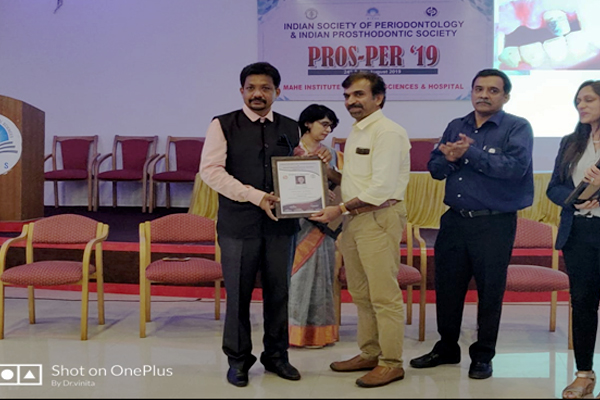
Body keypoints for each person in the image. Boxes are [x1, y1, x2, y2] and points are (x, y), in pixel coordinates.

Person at [410, 69, 534, 380]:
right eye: (479, 89)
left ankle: (483, 355)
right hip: (454, 220)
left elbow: (514, 169)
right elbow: (435, 169)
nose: (484, 95)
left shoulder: (517, 127)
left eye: (493, 90)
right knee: (447, 288)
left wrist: (470, 153)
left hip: (494, 223)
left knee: (490, 292)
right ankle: (447, 348)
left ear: (506, 96)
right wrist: (449, 159)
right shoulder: (457, 125)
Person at [199, 62, 304, 387]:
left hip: (281, 226)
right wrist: (254, 196)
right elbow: (211, 171)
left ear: (277, 92)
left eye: (265, 88)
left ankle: (277, 356)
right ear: (242, 91)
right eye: (251, 88)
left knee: (279, 293)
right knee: (238, 295)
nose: (258, 94)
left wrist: (312, 166)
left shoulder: (290, 126)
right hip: (238, 225)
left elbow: (296, 167)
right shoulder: (223, 124)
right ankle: (238, 360)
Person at [310, 71, 411, 388]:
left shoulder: (388, 133)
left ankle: (391, 363)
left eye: (358, 95)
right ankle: (370, 353)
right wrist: (325, 171)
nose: (351, 101)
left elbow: (380, 189)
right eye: (347, 96)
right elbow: (354, 182)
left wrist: (338, 209)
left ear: (378, 98)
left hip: (378, 217)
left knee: (383, 295)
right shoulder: (357, 131)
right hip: (354, 219)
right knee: (361, 293)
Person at [547, 80, 600, 399]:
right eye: (578, 100)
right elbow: (554, 187)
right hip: (579, 232)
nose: (581, 105)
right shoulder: (571, 142)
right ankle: (584, 374)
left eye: (589, 99)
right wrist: (574, 200)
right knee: (582, 303)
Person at [289, 104, 341, 349]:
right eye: (324, 124)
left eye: (331, 126)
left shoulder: (330, 152)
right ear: (308, 123)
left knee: (322, 275)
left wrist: (327, 172)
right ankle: (292, 332)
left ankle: (319, 334)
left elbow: (341, 181)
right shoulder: (291, 149)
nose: (328, 130)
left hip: (322, 223)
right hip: (296, 222)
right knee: (297, 277)